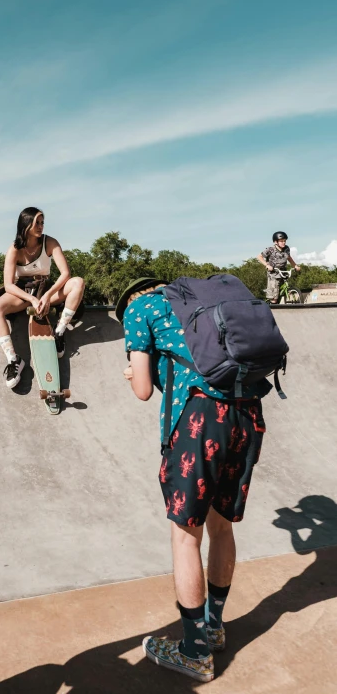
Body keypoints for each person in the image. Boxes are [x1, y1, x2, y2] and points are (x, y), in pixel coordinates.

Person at [116, 278, 272, 683]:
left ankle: (195, 651)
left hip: (201, 420)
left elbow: (144, 390)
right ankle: (214, 626)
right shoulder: (204, 300)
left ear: (130, 297)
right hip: (247, 413)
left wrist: (132, 369)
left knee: (186, 536)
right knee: (221, 527)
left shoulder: (140, 308)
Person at [0, 206, 85, 388]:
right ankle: (13, 360)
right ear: (26, 224)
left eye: (42, 222)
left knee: (78, 282)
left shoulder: (50, 242)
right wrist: (32, 299)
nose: (41, 226)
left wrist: (48, 295)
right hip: (23, 291)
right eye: (37, 223)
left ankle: (59, 332)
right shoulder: (14, 249)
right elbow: (8, 284)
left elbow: (65, 273)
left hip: (46, 288)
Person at [258, 231, 300, 303]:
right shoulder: (270, 249)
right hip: (273, 274)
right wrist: (267, 265)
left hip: (283, 273)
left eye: (284, 241)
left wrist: (295, 266)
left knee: (281, 293)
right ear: (276, 242)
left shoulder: (286, 249)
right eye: (281, 241)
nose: (283, 242)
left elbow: (289, 258)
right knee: (274, 299)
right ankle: (272, 306)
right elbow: (259, 257)